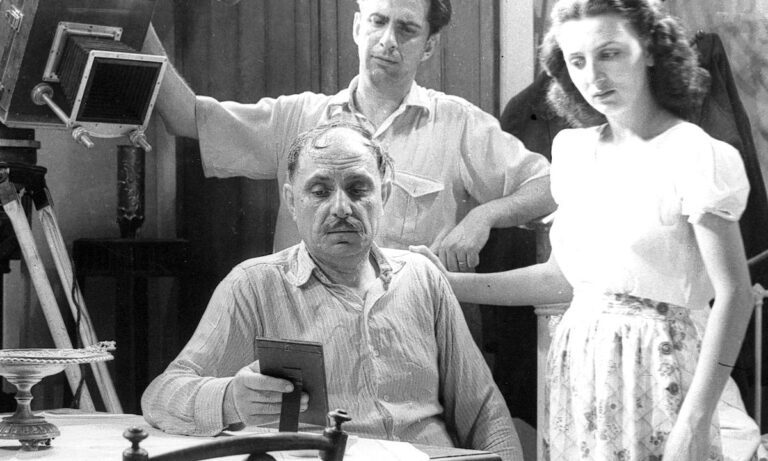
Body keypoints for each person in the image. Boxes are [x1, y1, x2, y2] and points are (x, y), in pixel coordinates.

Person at [413, 0, 754, 459]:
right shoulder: (574, 152)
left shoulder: (694, 154)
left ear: (651, 49)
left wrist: (694, 420)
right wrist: (447, 283)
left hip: (664, 372)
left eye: (609, 53)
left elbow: (734, 295)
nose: (594, 76)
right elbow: (561, 279)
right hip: (581, 372)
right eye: (577, 61)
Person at [141, 121, 523, 460]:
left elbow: (485, 412)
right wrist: (230, 399)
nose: (341, 208)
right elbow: (161, 396)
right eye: (320, 191)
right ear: (292, 201)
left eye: (358, 189)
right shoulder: (253, 286)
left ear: (384, 195)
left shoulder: (422, 278)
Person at [143, 0, 554, 270]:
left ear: (429, 46)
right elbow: (186, 117)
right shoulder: (297, 118)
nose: (388, 41)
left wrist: (483, 217)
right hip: (307, 336)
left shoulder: (457, 124)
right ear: (358, 27)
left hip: (405, 344)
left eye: (407, 29)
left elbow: (550, 186)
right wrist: (135, 21)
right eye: (378, 22)